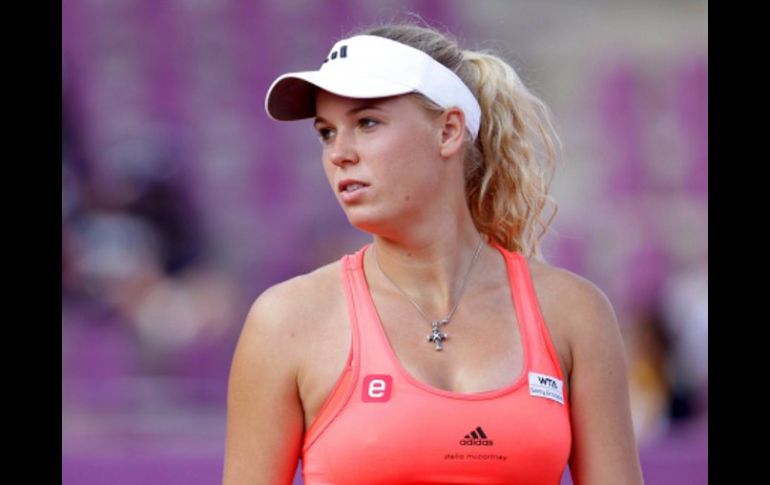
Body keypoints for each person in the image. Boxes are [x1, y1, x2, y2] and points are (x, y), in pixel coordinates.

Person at [223, 22, 644, 485]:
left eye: (366, 123)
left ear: (448, 131)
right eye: (326, 132)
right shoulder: (285, 320)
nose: (339, 153)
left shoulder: (575, 312)